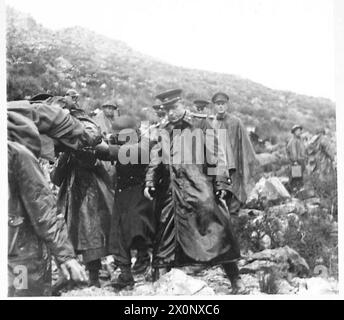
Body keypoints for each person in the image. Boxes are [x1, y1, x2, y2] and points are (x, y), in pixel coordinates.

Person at [143, 89, 245, 294]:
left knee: (218, 230)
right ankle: (162, 288)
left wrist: (221, 184)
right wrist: (150, 181)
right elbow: (156, 156)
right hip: (171, 192)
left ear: (182, 105)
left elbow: (216, 155)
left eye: (174, 108)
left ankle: (236, 281)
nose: (171, 113)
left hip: (199, 188)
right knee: (164, 236)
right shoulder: (163, 129)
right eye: (167, 109)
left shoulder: (200, 124)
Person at [7, 101, 91, 296]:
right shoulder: (17, 154)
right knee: (23, 291)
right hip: (20, 254)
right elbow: (43, 209)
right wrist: (66, 257)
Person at [51, 107, 113, 288]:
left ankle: (94, 277)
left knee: (91, 234)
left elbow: (105, 169)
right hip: (71, 194)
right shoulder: (66, 148)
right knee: (71, 234)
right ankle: (71, 276)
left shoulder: (91, 135)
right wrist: (65, 155)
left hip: (90, 194)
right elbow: (56, 178)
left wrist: (89, 157)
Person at [95, 116, 156, 290]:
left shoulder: (144, 144)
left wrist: (102, 147)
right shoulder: (123, 143)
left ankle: (147, 261)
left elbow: (115, 152)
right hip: (122, 195)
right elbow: (105, 153)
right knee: (118, 235)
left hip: (140, 194)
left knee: (139, 230)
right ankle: (126, 275)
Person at [211, 92, 259, 214]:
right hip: (219, 163)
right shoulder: (212, 123)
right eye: (218, 104)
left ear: (227, 106)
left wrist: (247, 159)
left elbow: (245, 142)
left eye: (223, 104)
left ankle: (234, 214)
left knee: (234, 187)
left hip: (234, 162)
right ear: (214, 106)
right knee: (220, 188)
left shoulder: (236, 122)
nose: (220, 107)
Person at [286, 124, 306, 192]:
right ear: (294, 132)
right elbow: (293, 152)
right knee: (296, 179)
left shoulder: (300, 140)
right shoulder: (293, 141)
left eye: (300, 130)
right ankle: (294, 193)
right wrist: (295, 161)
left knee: (300, 178)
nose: (299, 132)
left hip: (301, 161)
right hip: (296, 162)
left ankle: (299, 193)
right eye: (297, 130)